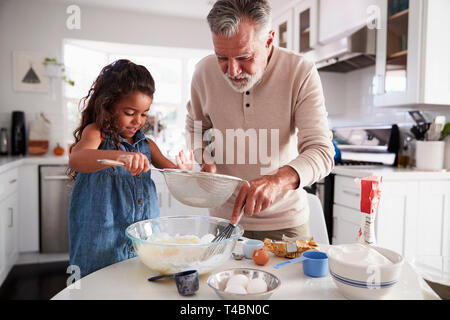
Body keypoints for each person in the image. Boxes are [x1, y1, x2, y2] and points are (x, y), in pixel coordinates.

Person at [185, 0, 335, 241]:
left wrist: (276, 181)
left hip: (285, 224)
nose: (232, 71)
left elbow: (321, 151)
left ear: (269, 40)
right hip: (224, 222)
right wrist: (204, 157)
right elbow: (195, 127)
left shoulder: (300, 72)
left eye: (244, 57)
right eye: (221, 57)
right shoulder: (203, 72)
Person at [68, 59, 193, 277]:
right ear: (108, 106)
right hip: (101, 238)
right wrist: (121, 156)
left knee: (138, 283)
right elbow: (77, 158)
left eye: (144, 113)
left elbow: (174, 176)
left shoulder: (148, 145)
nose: (138, 121)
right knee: (99, 286)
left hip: (144, 238)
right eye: (129, 112)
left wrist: (184, 171)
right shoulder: (96, 133)